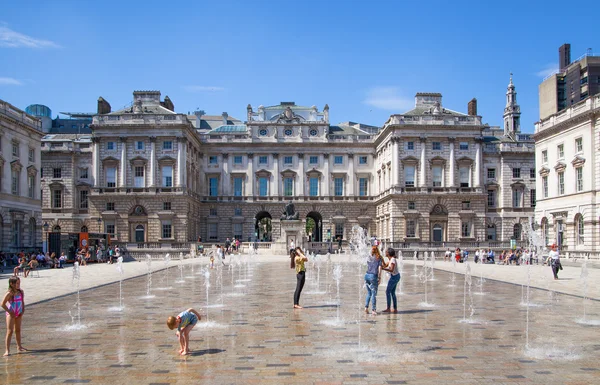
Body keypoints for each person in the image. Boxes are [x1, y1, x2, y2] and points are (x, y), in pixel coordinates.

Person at [2, 277, 27, 356]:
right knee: (10, 331)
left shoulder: (21, 292)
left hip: (19, 312)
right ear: (11, 284)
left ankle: (19, 347)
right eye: (17, 283)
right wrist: (10, 312)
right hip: (11, 313)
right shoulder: (9, 293)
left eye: (19, 283)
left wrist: (22, 310)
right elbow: (2, 304)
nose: (18, 285)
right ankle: (7, 350)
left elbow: (22, 302)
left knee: (18, 330)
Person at [364, 246, 386, 315]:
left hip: (366, 275)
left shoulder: (369, 257)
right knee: (374, 294)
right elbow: (379, 268)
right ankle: (373, 310)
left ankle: (366, 307)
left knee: (369, 293)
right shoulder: (379, 258)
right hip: (373, 276)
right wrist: (379, 278)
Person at [381, 247, 400, 313]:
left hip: (394, 277)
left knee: (387, 292)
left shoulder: (393, 260)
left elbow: (391, 269)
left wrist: (383, 269)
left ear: (388, 253)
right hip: (395, 276)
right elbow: (385, 265)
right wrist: (382, 261)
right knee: (392, 292)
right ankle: (395, 308)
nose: (385, 252)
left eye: (386, 252)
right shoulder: (391, 259)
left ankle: (388, 308)